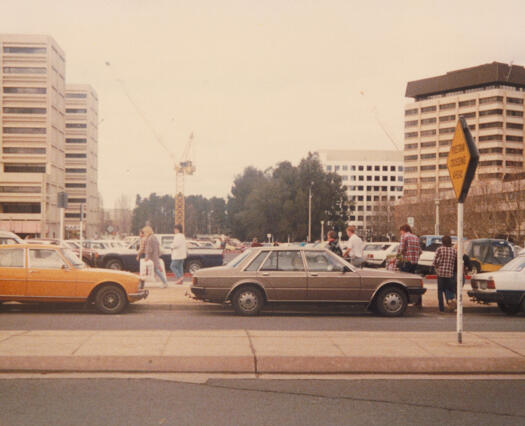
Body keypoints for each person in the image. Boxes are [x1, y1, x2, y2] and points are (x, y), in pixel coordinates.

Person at [432, 235, 457, 313]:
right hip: (450, 274)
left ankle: (441, 309)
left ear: (442, 242)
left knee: (440, 291)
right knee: (449, 289)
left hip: (441, 273)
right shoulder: (454, 251)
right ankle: (452, 301)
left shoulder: (439, 249)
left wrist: (437, 266)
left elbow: (434, 261)